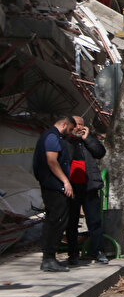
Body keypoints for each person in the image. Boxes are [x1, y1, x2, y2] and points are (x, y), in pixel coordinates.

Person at [33, 116, 76, 272]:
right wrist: (65, 181)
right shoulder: (52, 136)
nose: (70, 133)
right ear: (64, 125)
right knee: (57, 220)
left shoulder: (52, 136)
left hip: (52, 185)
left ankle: (50, 257)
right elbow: (52, 161)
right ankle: (49, 258)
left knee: (55, 220)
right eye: (70, 129)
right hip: (54, 187)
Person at [64, 116, 108, 264]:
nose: (78, 127)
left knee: (95, 221)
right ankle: (73, 254)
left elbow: (100, 152)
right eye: (75, 124)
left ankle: (98, 251)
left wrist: (87, 137)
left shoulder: (88, 139)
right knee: (72, 223)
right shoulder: (65, 140)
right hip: (72, 188)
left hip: (89, 186)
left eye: (81, 125)